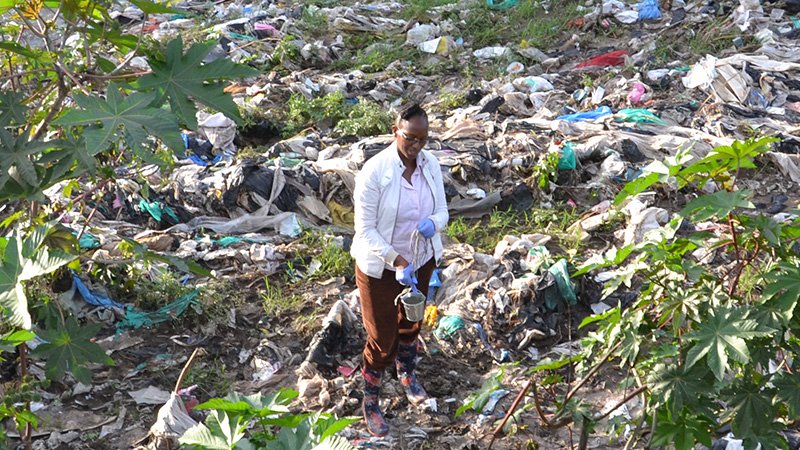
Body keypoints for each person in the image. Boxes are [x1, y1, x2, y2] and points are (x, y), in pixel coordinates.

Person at [351, 103, 449, 437]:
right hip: (381, 267)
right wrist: (396, 260)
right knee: (381, 338)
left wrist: (432, 224)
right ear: (396, 131)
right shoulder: (375, 172)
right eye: (410, 138)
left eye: (423, 139)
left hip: (421, 259)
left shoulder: (430, 164)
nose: (416, 146)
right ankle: (370, 399)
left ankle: (407, 375)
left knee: (412, 323)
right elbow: (364, 231)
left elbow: (444, 212)